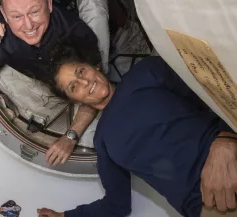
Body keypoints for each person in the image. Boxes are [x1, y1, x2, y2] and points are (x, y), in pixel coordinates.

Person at [36, 39, 237, 217]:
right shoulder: (102, 141)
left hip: (229, 161)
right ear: (74, 100)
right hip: (209, 206)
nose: (85, 81)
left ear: (94, 66)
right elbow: (117, 205)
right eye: (73, 86)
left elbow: (215, 93)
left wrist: (225, 140)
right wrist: (65, 216)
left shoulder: (146, 72)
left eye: (81, 71)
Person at [0, 0, 103, 166]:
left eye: (34, 12)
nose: (28, 25)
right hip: (35, 78)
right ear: (3, 13)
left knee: (95, 9)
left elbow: (97, 88)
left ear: (49, 2)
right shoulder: (1, 31)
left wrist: (71, 136)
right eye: (16, 16)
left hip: (71, 73)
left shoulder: (76, 32)